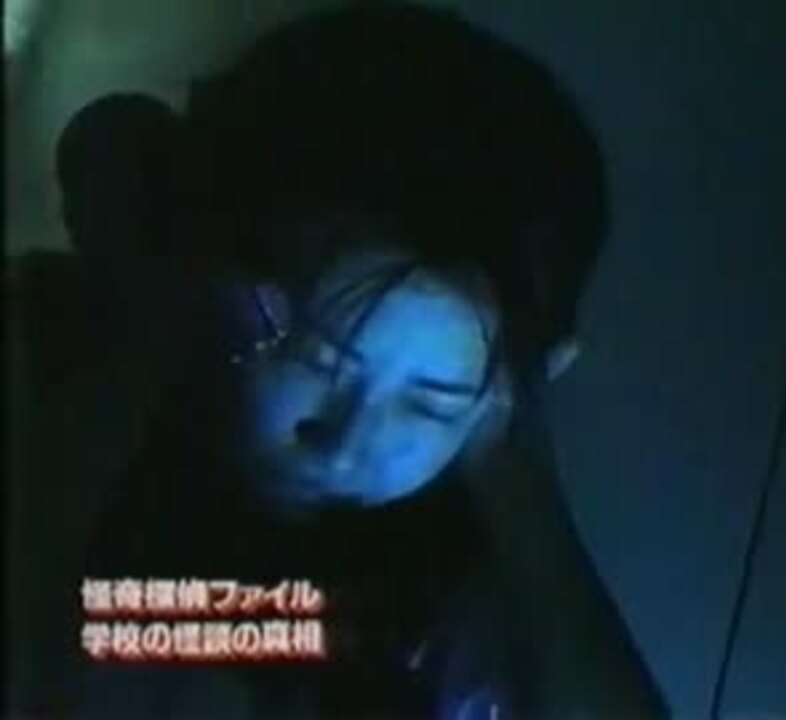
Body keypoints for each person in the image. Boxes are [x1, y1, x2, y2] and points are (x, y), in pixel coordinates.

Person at [62, 4, 670, 717]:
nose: (348, 442)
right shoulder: (115, 391)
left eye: (430, 403)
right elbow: (107, 136)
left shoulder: (439, 588)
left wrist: (520, 486)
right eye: (320, 358)